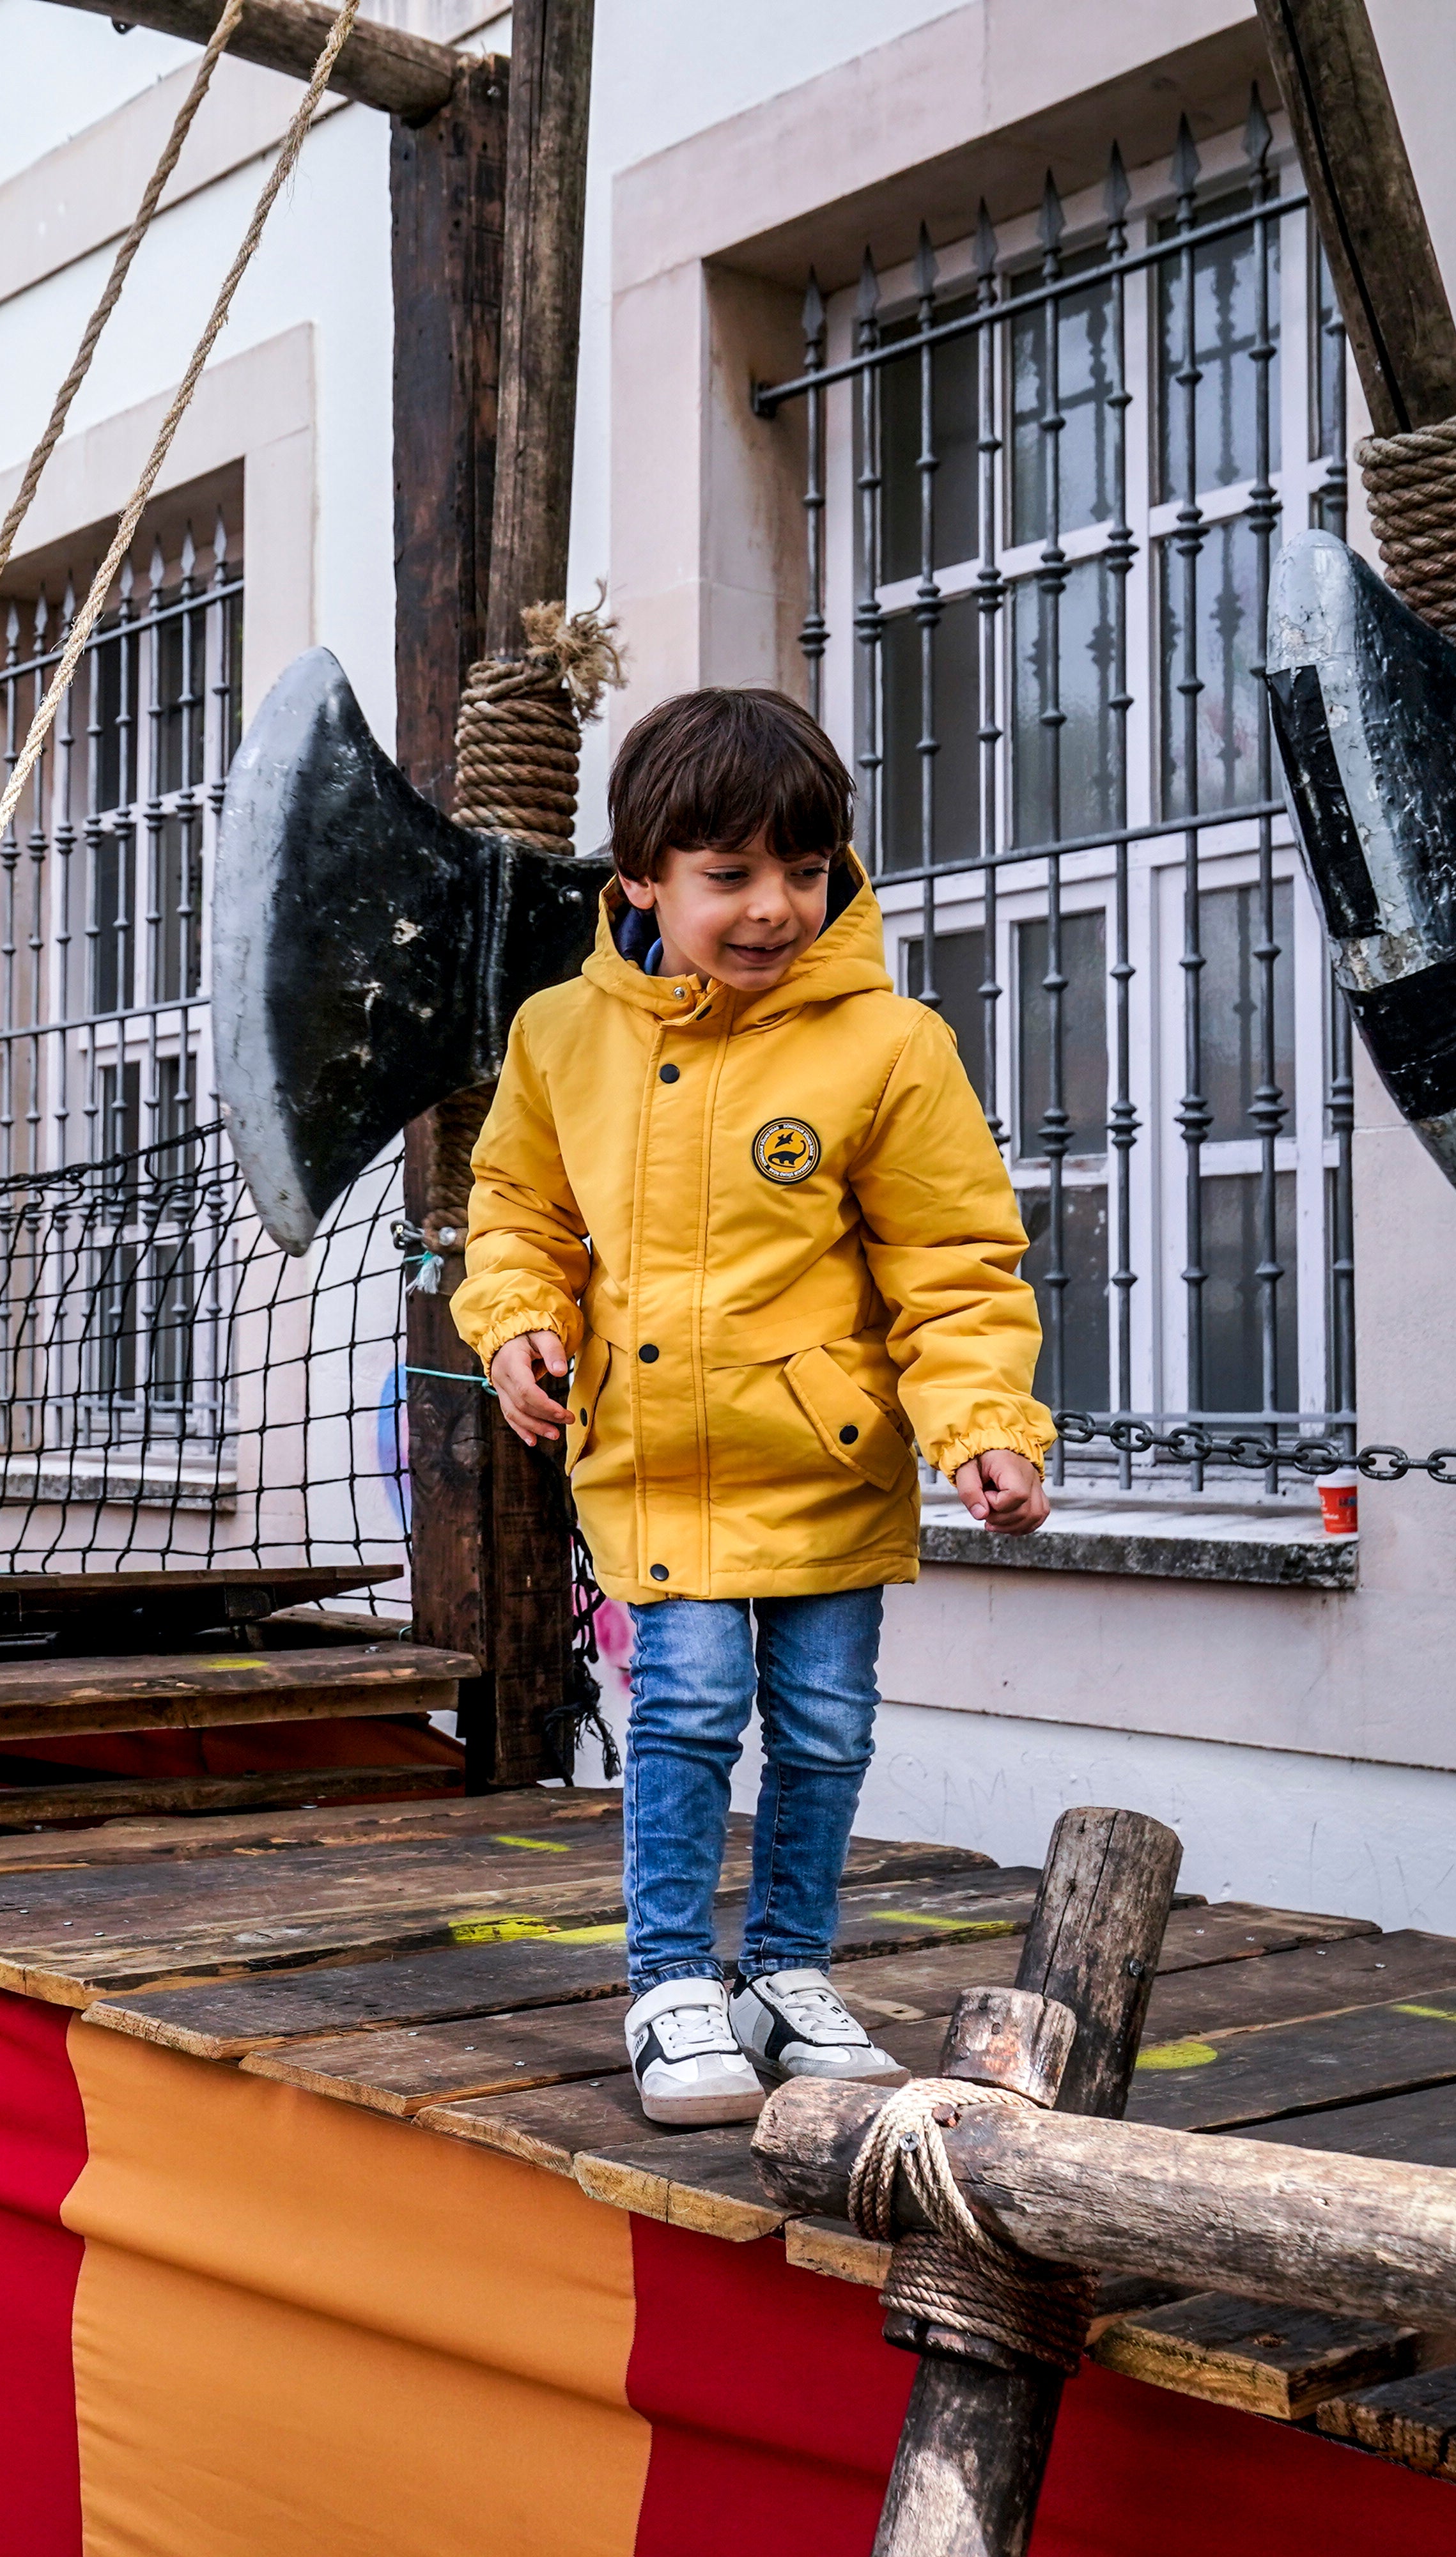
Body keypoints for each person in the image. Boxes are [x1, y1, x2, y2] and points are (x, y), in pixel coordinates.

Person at [451, 688, 1054, 2127]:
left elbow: (953, 1260)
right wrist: (518, 1323)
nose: (774, 905)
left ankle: (783, 1971)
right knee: (690, 1709)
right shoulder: (559, 1036)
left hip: (833, 1460)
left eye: (805, 867)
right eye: (731, 875)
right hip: (657, 1456)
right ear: (645, 879)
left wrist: (986, 1423)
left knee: (829, 1726)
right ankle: (670, 1980)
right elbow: (518, 1211)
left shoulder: (892, 1046)